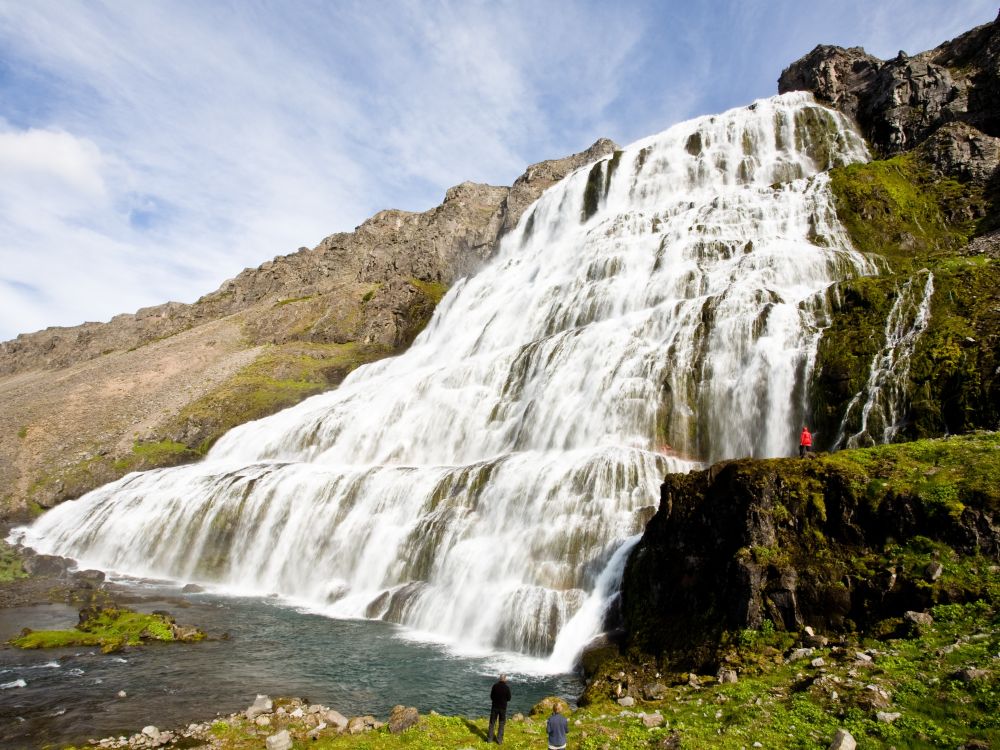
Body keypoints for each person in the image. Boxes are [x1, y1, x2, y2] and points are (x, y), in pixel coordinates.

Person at [487, 674, 512, 744]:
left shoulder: (495, 686)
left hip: (494, 707)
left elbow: (491, 696)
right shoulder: (507, 688)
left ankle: (489, 739)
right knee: (501, 723)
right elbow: (509, 698)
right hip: (503, 708)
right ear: (505, 679)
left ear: (499, 679)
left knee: (492, 722)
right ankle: (499, 740)